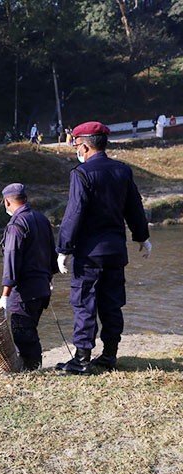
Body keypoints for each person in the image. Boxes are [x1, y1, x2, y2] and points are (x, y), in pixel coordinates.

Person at [55, 121, 151, 374]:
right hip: (116, 251)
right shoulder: (122, 170)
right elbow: (134, 207)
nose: (76, 150)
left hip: (89, 254)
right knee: (111, 303)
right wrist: (143, 237)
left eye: (76, 145)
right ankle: (109, 356)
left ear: (84, 146)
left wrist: (63, 249)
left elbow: (74, 213)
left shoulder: (81, 173)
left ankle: (82, 359)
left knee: (84, 303)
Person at [0, 183, 56, 371]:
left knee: (22, 331)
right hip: (42, 288)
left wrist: (5, 294)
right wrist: (49, 279)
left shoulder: (16, 225)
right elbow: (51, 253)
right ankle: (33, 367)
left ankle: (31, 370)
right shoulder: (41, 219)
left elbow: (11, 260)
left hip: (25, 291)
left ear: (7, 202)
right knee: (30, 329)